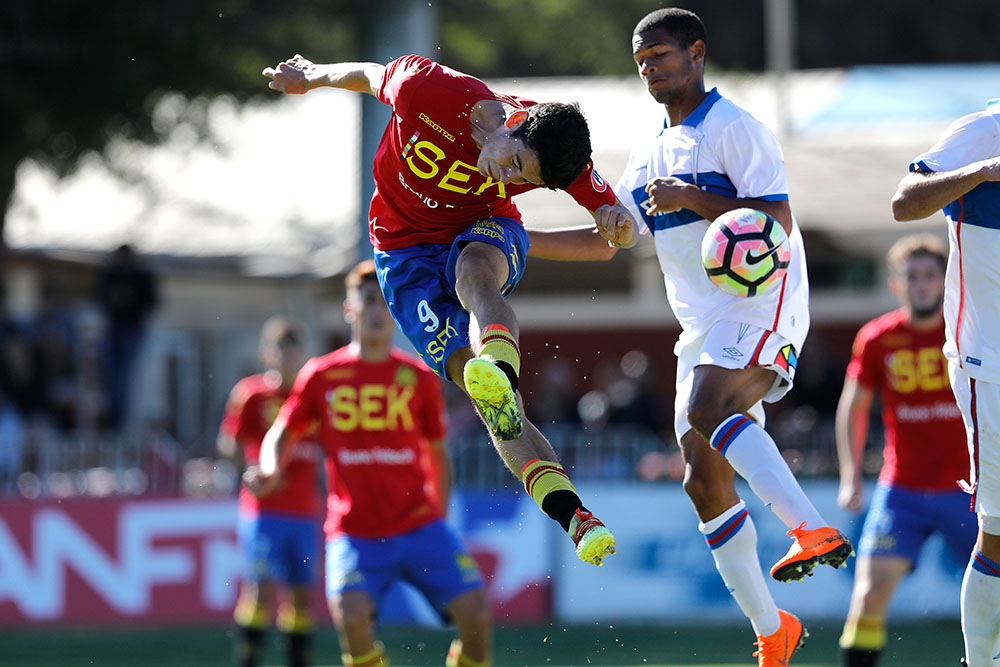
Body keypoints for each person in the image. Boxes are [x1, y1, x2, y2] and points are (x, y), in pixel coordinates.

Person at [528, 8, 852, 666]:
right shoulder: (648, 154)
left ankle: (809, 527)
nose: (651, 69)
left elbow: (779, 217)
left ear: (697, 53)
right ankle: (771, 630)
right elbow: (610, 239)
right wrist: (519, 240)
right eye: (642, 60)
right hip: (702, 326)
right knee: (701, 480)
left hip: (762, 300)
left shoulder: (736, 128)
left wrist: (695, 200)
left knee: (709, 411)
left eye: (662, 56)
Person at [262, 52, 635, 565]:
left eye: (520, 177)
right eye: (513, 161)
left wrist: (620, 223)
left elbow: (607, 239)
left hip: (481, 230)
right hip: (401, 249)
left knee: (475, 271)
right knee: (497, 411)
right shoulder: (431, 90)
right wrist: (312, 78)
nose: (506, 175)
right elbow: (371, 76)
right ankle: (576, 516)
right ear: (515, 122)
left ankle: (499, 369)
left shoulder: (560, 157)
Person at [254, 261, 492, 667]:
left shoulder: (418, 377)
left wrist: (439, 518)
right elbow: (282, 431)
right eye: (368, 301)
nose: (378, 311)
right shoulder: (322, 375)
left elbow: (437, 452)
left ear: (397, 310)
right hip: (354, 533)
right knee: (351, 617)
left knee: (477, 616)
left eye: (385, 302)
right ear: (350, 309)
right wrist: (269, 467)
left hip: (419, 525)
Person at [891, 99, 1000, 667]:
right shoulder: (983, 130)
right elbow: (904, 203)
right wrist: (983, 171)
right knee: (999, 535)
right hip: (992, 366)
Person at [835, 234, 976, 667]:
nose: (921, 284)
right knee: (868, 594)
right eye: (912, 276)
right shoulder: (877, 339)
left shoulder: (969, 333)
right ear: (897, 284)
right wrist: (850, 476)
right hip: (903, 490)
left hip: (971, 491)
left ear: (946, 282)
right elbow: (852, 408)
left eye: (930, 275)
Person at [218, 317, 322, 667]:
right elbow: (228, 443)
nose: (288, 357)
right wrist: (245, 471)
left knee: (302, 595)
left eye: (294, 350)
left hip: (304, 511)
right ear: (267, 354)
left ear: (303, 354)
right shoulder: (251, 394)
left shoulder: (312, 394)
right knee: (260, 589)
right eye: (281, 349)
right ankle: (247, 660)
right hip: (264, 510)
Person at [96, 243, 159, 431]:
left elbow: (152, 302)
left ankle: (120, 422)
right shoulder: (111, 275)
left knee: (126, 380)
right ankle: (112, 420)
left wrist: (131, 299)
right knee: (111, 380)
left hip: (133, 332)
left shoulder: (142, 276)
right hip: (113, 333)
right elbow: (100, 297)